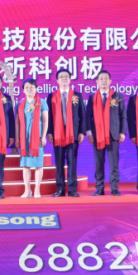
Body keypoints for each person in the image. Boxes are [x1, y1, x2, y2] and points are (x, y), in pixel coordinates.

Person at [85, 70, 127, 196]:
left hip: (113, 134)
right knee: (99, 163)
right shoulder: (92, 97)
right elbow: (88, 116)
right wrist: (89, 133)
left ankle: (114, 188)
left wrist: (122, 132)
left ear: (110, 81)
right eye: (101, 79)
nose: (104, 81)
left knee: (114, 163)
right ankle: (99, 188)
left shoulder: (117, 96)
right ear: (97, 82)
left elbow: (123, 115)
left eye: (106, 79)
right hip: (97, 135)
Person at [46, 69, 86, 197]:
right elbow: (48, 117)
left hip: (73, 133)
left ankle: (72, 189)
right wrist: (49, 132)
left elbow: (82, 115)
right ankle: (60, 189)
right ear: (57, 80)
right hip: (57, 133)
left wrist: (82, 132)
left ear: (70, 79)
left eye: (66, 76)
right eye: (61, 77)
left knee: (72, 161)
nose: (64, 78)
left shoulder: (77, 96)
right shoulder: (51, 97)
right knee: (59, 162)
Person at [15, 79, 48, 198]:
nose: (29, 89)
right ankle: (27, 190)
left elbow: (46, 120)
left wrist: (43, 136)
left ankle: (37, 190)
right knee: (26, 165)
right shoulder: (19, 104)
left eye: (32, 87)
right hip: (25, 138)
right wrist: (17, 138)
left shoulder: (42, 102)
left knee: (38, 165)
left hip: (37, 136)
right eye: (27, 87)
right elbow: (17, 122)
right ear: (23, 90)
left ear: (36, 89)